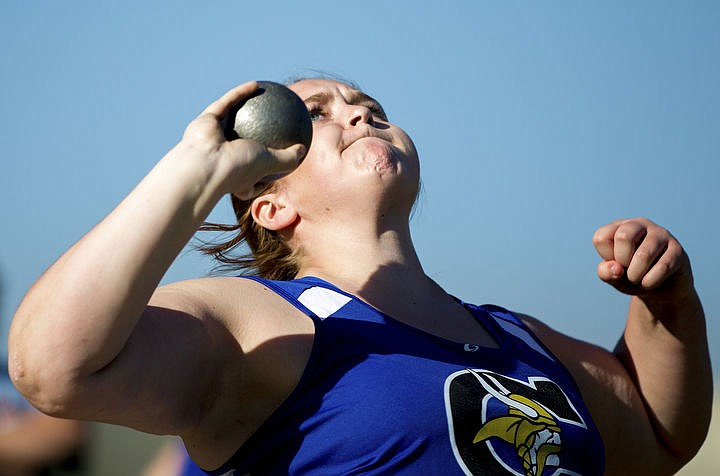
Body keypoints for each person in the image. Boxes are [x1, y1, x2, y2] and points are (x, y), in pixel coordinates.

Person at [7, 78, 712, 475]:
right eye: (316, 113)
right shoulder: (259, 322)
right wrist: (195, 170)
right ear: (272, 203)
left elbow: (659, 444)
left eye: (369, 107)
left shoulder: (514, 335)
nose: (358, 112)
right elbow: (51, 368)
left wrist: (667, 306)